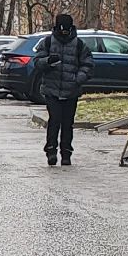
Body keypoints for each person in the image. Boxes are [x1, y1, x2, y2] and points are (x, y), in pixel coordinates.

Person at [35, 13, 94, 166]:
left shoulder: (79, 44)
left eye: (67, 30)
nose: (64, 33)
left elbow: (87, 64)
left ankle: (66, 153)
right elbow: (36, 63)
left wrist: (78, 79)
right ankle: (51, 151)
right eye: (62, 30)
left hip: (71, 90)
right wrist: (47, 61)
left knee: (67, 123)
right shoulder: (47, 42)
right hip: (52, 90)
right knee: (55, 120)